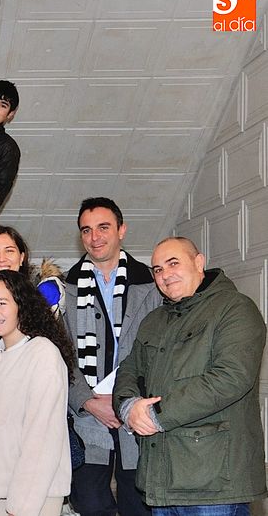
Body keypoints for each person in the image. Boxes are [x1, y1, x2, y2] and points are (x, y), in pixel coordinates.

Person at [114, 237, 268, 514]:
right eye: (157, 269)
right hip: (160, 481)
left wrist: (154, 414)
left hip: (215, 485)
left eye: (173, 263)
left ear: (199, 263)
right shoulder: (155, 319)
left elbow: (231, 378)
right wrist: (128, 407)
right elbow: (128, 369)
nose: (165, 274)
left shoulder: (235, 309)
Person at [64, 198, 161, 516]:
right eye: (87, 230)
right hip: (88, 416)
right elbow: (60, 353)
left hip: (138, 413)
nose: (95, 237)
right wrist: (88, 401)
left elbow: (160, 349)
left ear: (122, 229)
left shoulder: (152, 284)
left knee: (140, 502)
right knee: (90, 502)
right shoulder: (65, 287)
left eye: (103, 227)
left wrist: (128, 402)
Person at [0, 270, 74, 516]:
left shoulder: (43, 354)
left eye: (1, 303)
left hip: (31, 497)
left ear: (21, 303)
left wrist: (21, 506)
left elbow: (43, 438)